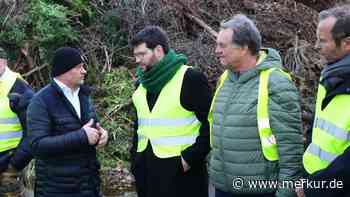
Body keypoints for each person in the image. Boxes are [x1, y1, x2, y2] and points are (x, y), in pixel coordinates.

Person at [208, 14, 304, 197]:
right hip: (223, 188)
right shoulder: (225, 79)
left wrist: (285, 193)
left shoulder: (275, 82)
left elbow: (291, 149)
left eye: (222, 45)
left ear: (244, 48)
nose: (216, 50)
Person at [130, 26, 212, 197]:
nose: (137, 60)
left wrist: (188, 159)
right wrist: (135, 161)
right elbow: (139, 127)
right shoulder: (141, 85)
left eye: (142, 54)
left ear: (159, 50)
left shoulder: (191, 79)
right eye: (135, 55)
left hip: (182, 175)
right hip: (146, 173)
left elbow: (212, 125)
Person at [27, 47, 108, 196]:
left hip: (88, 185)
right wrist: (82, 136)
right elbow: (37, 145)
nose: (84, 71)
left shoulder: (84, 95)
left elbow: (92, 127)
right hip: (57, 189)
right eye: (79, 67)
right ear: (64, 71)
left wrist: (102, 135)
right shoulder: (40, 101)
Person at [302, 4, 350, 197]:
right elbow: (317, 128)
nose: (315, 46)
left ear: (347, 43)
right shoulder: (331, 74)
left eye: (322, 41)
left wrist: (316, 186)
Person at [0, 46, 34, 194]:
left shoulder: (19, 87)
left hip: (9, 166)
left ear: (3, 62)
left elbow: (33, 132)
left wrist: (14, 166)